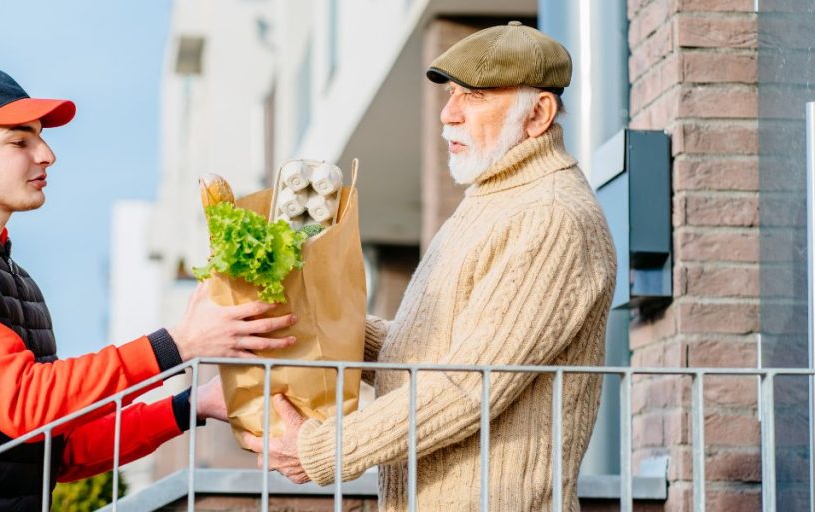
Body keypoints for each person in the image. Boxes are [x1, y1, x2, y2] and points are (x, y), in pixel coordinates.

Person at [0, 66, 296, 512]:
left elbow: (60, 449)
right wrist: (178, 345)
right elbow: (26, 402)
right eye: (20, 141)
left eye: (41, 137)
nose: (46, 154)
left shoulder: (8, 276)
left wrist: (193, 405)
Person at [243, 22, 617, 511]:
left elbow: (468, 384)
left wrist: (324, 448)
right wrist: (310, 321)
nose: (448, 114)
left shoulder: (551, 216)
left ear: (538, 114)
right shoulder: (493, 199)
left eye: (475, 97)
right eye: (451, 93)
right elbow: (433, 353)